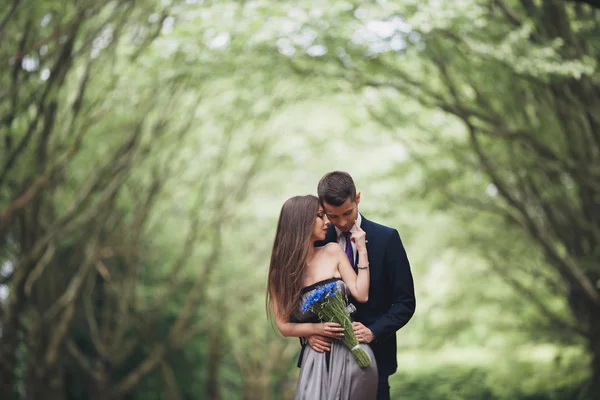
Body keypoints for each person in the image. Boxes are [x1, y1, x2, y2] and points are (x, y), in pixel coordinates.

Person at [305, 171, 416, 400]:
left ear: (357, 197)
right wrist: (307, 335)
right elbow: (299, 298)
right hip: (324, 360)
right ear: (322, 209)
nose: (343, 222)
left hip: (375, 358)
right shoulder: (314, 241)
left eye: (348, 212)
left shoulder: (387, 238)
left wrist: (373, 331)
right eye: (333, 217)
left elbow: (405, 302)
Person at [266, 195, 379, 399]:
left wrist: (362, 250)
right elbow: (283, 325)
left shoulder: (332, 251)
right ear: (301, 222)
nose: (327, 221)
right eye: (320, 216)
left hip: (354, 353)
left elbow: (361, 294)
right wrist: (315, 329)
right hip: (317, 355)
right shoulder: (280, 274)